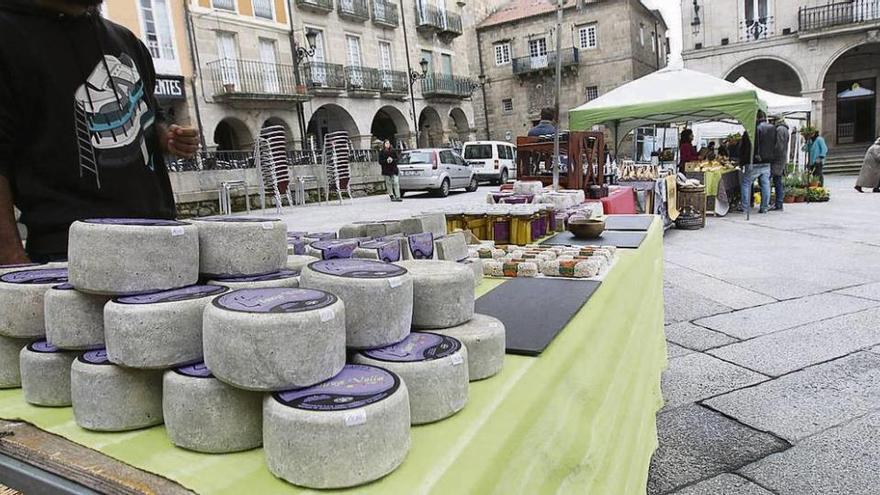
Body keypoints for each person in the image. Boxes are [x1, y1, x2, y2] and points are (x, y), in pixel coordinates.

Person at [0, 0, 199, 264]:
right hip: (71, 255)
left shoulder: (126, 39)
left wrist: (167, 136)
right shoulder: (8, 35)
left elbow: (152, 114)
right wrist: (13, 262)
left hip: (160, 239)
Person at [740, 112, 774, 214]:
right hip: (767, 160)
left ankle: (745, 207)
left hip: (753, 161)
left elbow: (745, 148)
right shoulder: (772, 128)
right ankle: (764, 207)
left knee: (746, 183)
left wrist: (742, 161)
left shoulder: (751, 130)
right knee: (765, 184)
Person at [771, 118, 790, 211]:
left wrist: (772, 155)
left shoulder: (780, 129)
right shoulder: (785, 129)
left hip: (778, 160)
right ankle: (778, 203)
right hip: (781, 158)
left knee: (776, 181)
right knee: (777, 181)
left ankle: (778, 203)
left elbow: (779, 146)